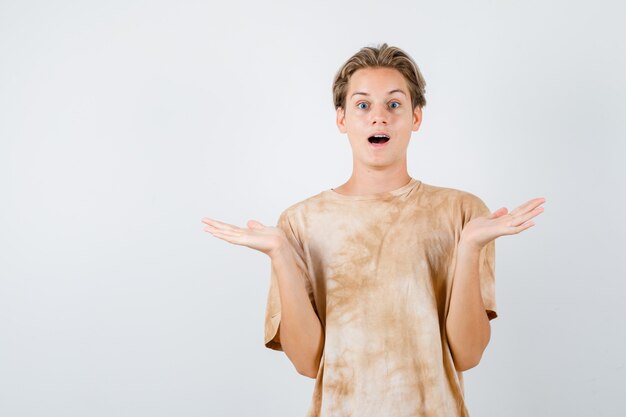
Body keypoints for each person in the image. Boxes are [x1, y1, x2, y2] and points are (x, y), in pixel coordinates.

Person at [202, 43, 545, 417]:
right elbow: (307, 363)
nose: (379, 117)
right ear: (342, 119)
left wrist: (470, 247)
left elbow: (467, 354)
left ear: (416, 117)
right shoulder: (299, 223)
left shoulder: (463, 213)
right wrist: (281, 254)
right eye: (363, 105)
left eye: (394, 104)